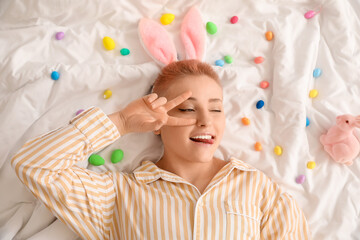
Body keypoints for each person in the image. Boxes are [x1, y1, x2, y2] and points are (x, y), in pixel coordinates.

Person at [11, 59, 311, 239]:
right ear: (157, 122)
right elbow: (34, 165)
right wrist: (122, 121)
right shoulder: (118, 196)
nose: (206, 121)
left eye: (216, 110)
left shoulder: (259, 190)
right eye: (187, 110)